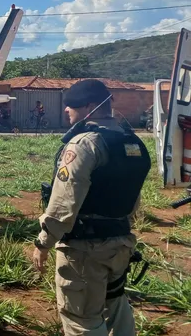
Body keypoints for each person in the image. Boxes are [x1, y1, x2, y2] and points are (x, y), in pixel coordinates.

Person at [31, 79, 151, 336]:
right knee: (116, 308)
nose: (66, 110)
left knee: (81, 317)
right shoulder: (132, 143)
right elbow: (133, 201)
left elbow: (63, 205)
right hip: (121, 244)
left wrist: (43, 243)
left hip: (84, 251)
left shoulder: (83, 144)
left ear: (90, 107)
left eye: (71, 105)